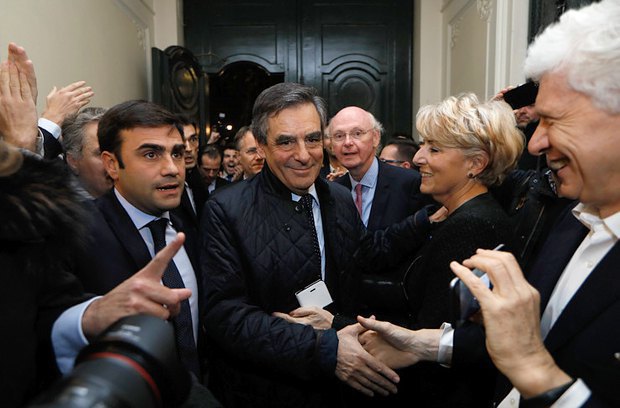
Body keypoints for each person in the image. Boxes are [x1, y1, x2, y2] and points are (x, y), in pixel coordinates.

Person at [359, 1, 620, 406]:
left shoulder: (483, 221)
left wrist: (534, 369)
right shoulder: (574, 221)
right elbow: (508, 335)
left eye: (555, 120)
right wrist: (423, 344)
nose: (535, 141)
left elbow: (524, 353)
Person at [200, 82, 428, 407]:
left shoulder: (339, 197)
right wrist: (324, 348)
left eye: (312, 139)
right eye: (286, 142)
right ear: (261, 145)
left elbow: (361, 261)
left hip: (338, 387)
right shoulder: (226, 210)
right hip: (263, 390)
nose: (304, 155)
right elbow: (225, 316)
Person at [70, 100, 206, 381]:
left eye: (177, 153)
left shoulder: (190, 221)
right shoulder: (78, 233)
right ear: (112, 164)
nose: (172, 168)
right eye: (151, 155)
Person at [329, 106, 427, 231]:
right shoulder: (333, 192)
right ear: (331, 145)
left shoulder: (409, 183)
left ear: (376, 137)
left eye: (357, 133)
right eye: (339, 136)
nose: (347, 142)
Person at [61, 107, 113, 199]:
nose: (114, 162)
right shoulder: (61, 208)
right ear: (73, 161)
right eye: (101, 154)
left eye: (117, 151)